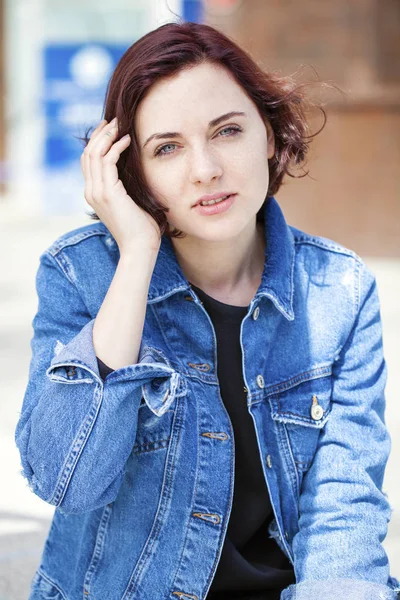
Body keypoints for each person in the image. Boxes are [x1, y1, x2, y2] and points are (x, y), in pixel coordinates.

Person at [15, 21, 399, 600]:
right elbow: (68, 481)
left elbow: (343, 510)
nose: (205, 169)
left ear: (268, 136)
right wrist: (138, 253)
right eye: (166, 148)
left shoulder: (338, 291)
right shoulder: (81, 275)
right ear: (129, 171)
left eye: (226, 132)